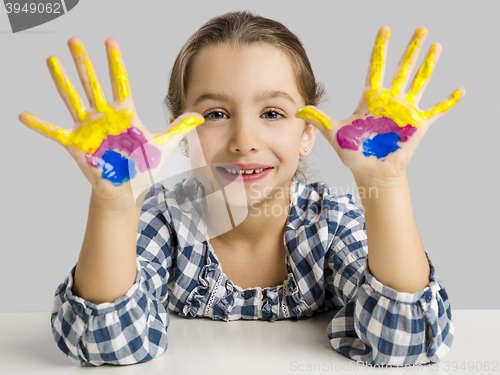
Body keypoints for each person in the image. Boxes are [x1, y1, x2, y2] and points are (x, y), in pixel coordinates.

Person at [19, 10, 464, 368]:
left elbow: (403, 344)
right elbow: (106, 345)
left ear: (308, 131)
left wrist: (384, 181)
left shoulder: (333, 221)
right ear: (179, 132)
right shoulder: (163, 221)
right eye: (215, 114)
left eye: (272, 113)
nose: (244, 140)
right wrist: (114, 203)